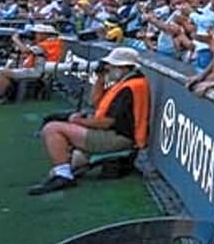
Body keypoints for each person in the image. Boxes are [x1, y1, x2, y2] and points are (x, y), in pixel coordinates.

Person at [28, 47, 150, 195]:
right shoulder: (127, 81)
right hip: (115, 134)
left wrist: (78, 122)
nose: (108, 68)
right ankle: (68, 169)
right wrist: (100, 78)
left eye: (111, 66)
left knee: (52, 128)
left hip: (119, 137)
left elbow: (107, 122)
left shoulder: (130, 87)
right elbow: (95, 102)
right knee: (68, 163)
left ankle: (64, 177)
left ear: (123, 67)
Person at [0, 22, 65, 107]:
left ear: (45, 34)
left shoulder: (47, 44)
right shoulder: (52, 42)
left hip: (38, 71)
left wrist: (16, 39)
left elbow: (25, 51)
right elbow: (31, 54)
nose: (34, 35)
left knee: (3, 72)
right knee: (11, 66)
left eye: (37, 33)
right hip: (41, 69)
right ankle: (7, 94)